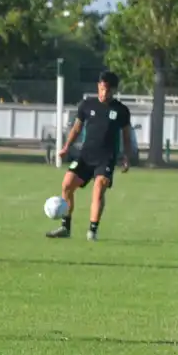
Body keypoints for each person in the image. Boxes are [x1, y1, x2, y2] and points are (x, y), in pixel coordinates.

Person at [48, 71, 133, 240]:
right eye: (101, 89)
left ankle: (92, 231)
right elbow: (76, 129)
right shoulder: (87, 105)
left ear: (114, 90)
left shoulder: (121, 110)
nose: (104, 94)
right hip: (85, 156)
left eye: (108, 91)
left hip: (106, 158)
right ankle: (65, 227)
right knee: (66, 185)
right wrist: (66, 147)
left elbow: (126, 136)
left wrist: (126, 157)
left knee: (99, 188)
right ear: (98, 87)